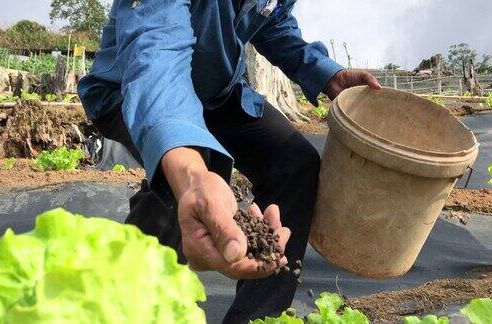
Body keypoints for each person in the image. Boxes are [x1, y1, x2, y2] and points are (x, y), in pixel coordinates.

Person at [78, 0, 382, 322]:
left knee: (295, 164)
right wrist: (191, 174)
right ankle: (123, 306)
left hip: (218, 96)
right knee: (191, 175)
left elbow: (273, 21)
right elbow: (156, 50)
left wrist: (324, 72)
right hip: (133, 88)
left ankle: (257, 315)